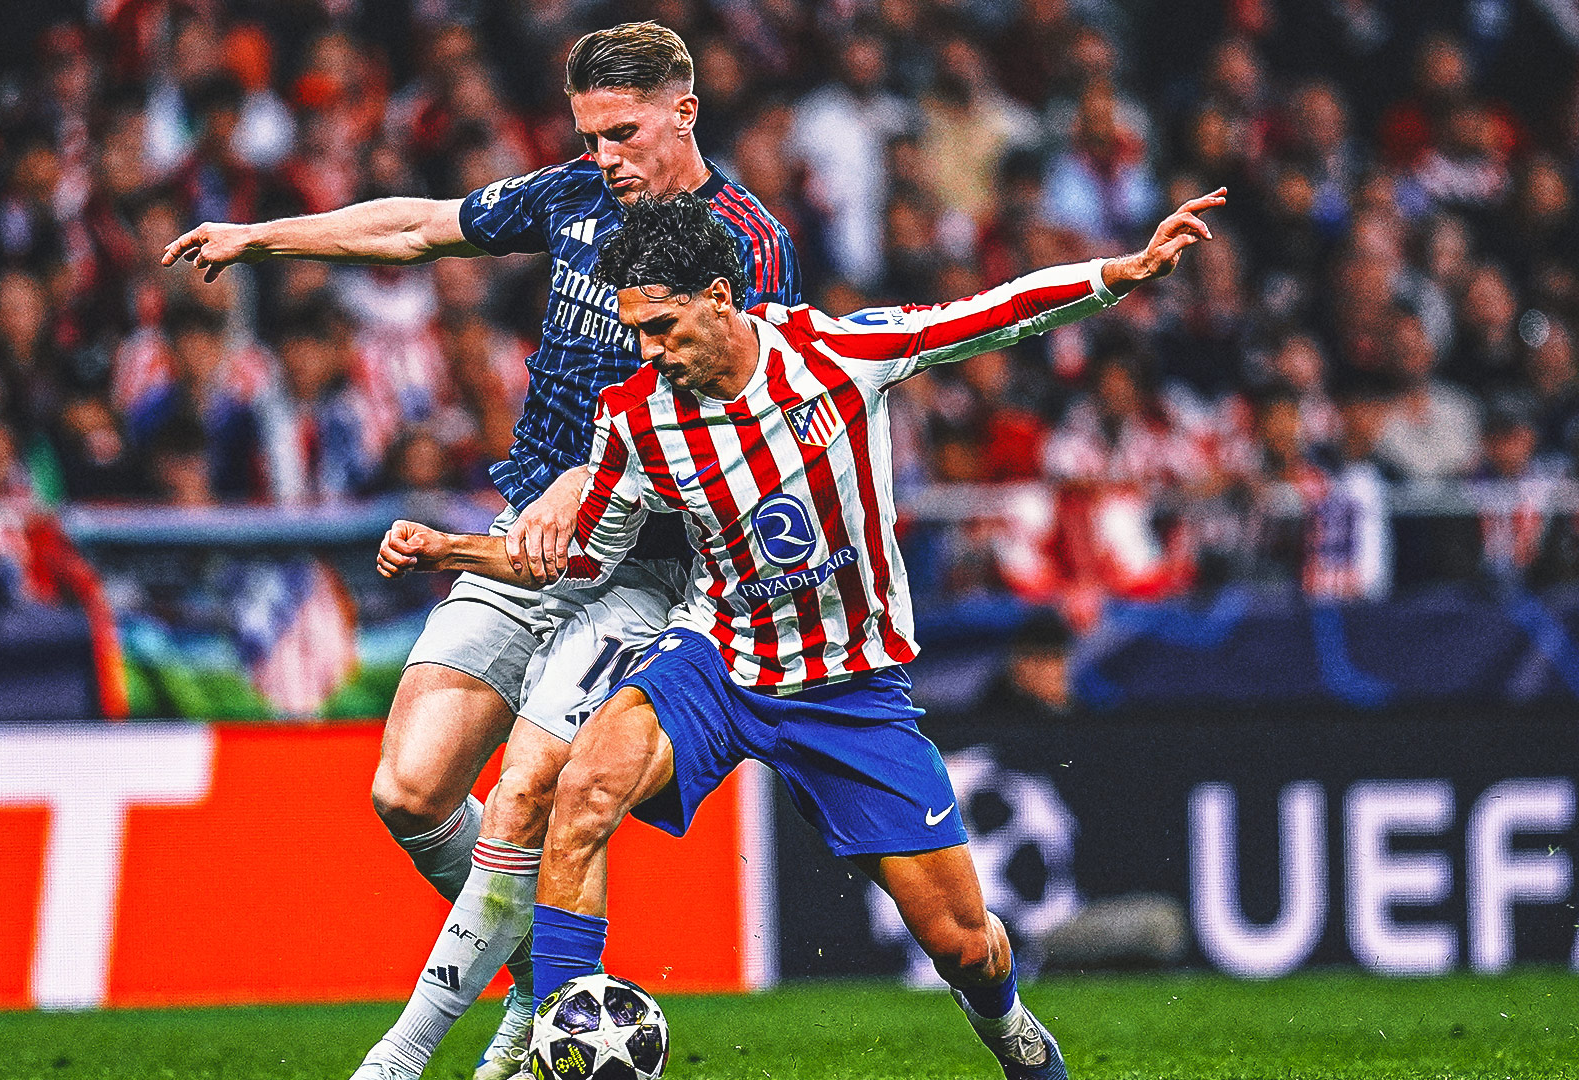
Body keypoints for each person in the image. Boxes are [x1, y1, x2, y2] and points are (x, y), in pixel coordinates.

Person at [379, 187, 1223, 1078]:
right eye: (636, 333)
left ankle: (1011, 1027)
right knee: (581, 786)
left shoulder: (836, 355)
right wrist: (454, 549)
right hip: (720, 658)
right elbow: (584, 559)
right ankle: (562, 1045)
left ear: (718, 296)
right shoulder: (635, 417)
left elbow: (993, 314)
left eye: (662, 328)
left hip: (850, 685)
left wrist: (1119, 273)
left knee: (963, 944)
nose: (649, 352)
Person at [163, 23, 799, 1080]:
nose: (605, 156)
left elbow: (729, 413)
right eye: (589, 135)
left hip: (649, 568)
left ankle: (408, 1052)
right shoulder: (574, 196)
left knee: (527, 791)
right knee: (409, 791)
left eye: (624, 133)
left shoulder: (749, 244)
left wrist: (588, 477)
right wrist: (260, 236)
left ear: (684, 113)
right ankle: (527, 973)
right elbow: (420, 226)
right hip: (523, 541)